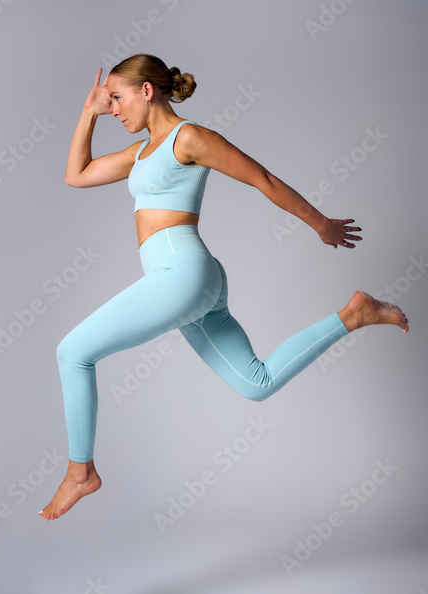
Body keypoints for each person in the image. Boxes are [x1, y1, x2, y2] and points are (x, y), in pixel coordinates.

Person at [39, 53, 409, 521]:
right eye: (108, 102)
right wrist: (88, 111)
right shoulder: (141, 152)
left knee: (73, 352)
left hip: (181, 273)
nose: (113, 108)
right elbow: (76, 175)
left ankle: (80, 473)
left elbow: (263, 178)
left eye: (116, 98)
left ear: (146, 91)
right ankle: (354, 314)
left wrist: (322, 225)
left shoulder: (189, 137)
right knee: (257, 383)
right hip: (190, 280)